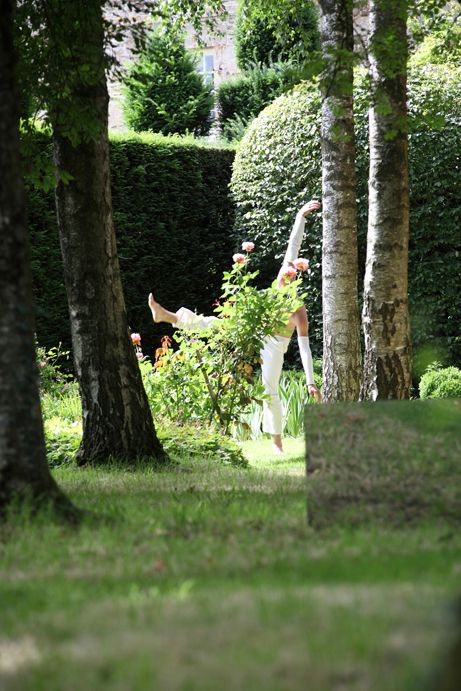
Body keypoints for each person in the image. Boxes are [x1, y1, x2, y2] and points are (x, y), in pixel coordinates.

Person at [148, 199, 322, 453]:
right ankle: (168, 316)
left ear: (294, 280)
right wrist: (299, 216)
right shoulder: (284, 272)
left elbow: (304, 349)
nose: (283, 277)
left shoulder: (298, 309)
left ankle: (276, 443)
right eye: (283, 273)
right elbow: (293, 245)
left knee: (270, 388)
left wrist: (309, 381)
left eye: (288, 276)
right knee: (215, 323)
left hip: (275, 344)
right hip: (256, 326)